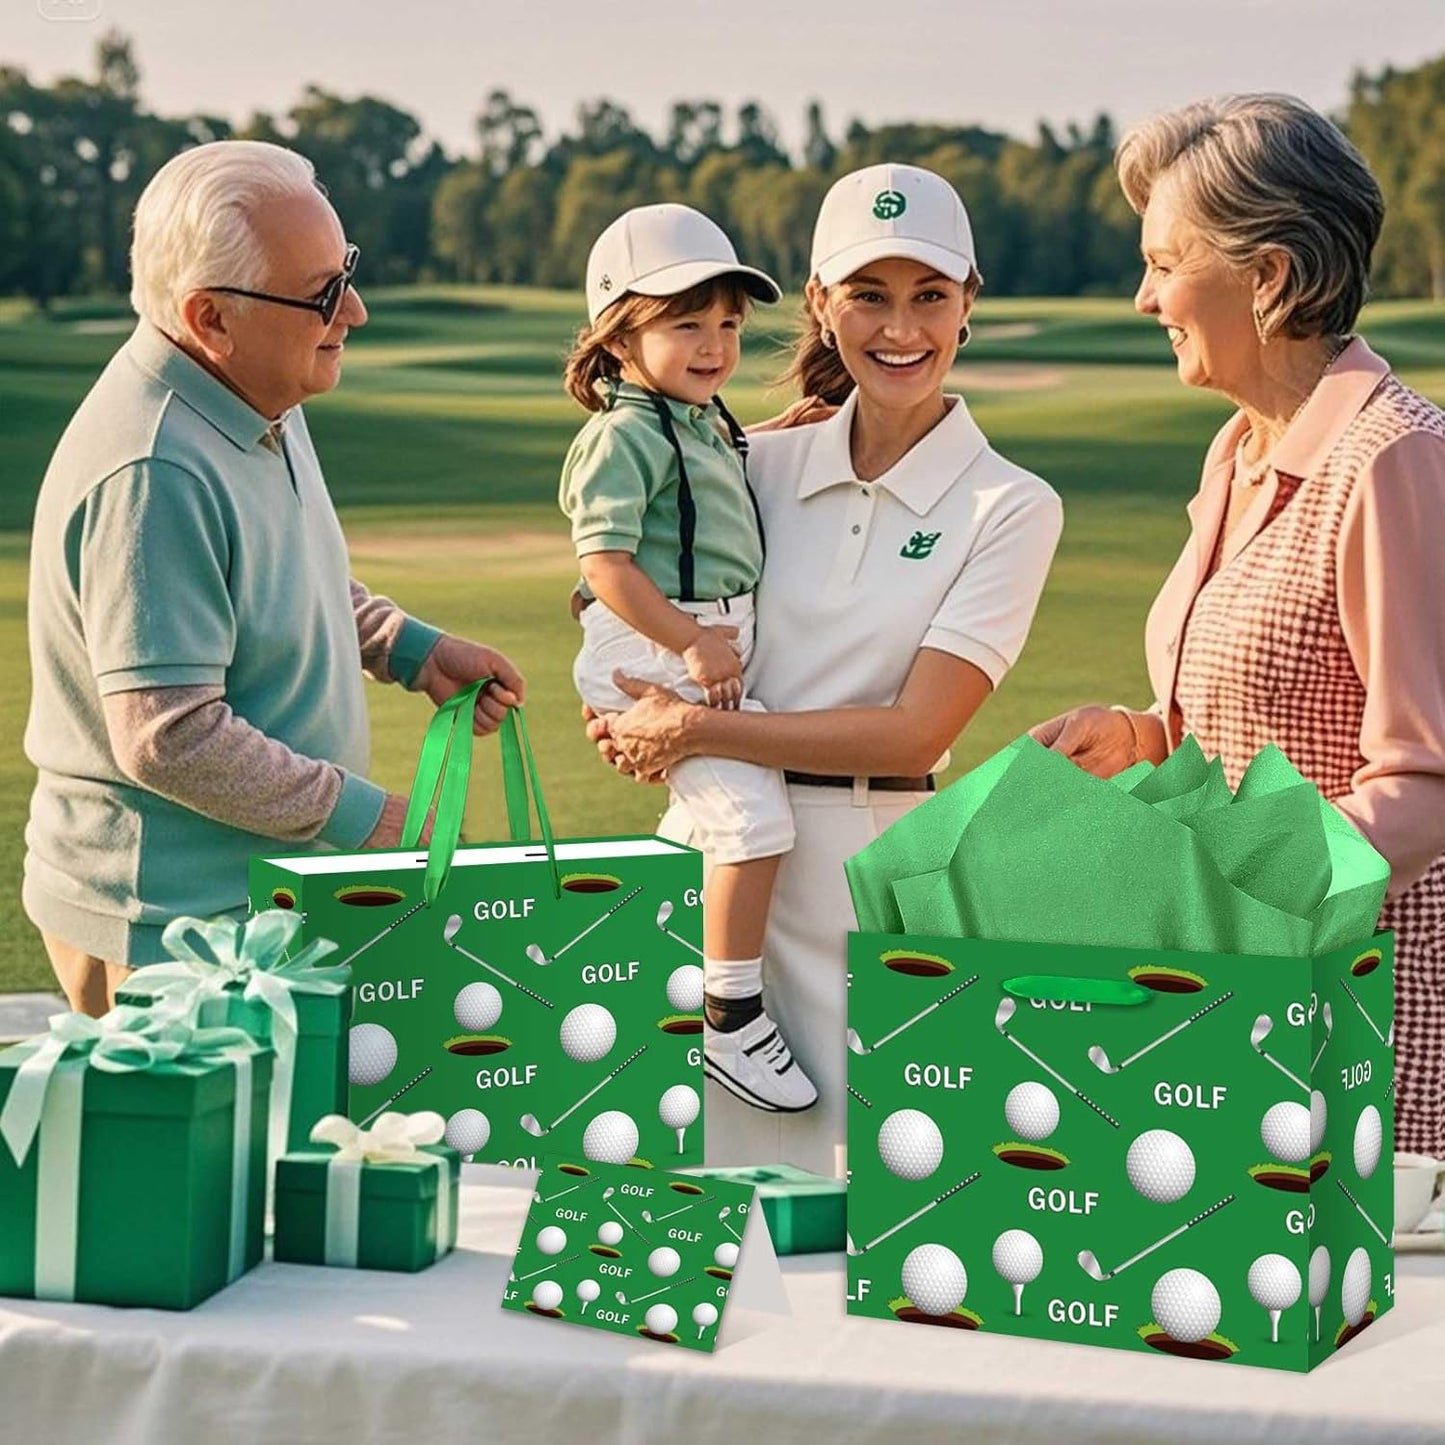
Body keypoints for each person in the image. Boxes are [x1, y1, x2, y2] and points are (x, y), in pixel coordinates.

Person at [589, 165, 1063, 1174]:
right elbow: (622, 578)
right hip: (716, 867)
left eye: (928, 296)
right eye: (868, 296)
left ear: (968, 302)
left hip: (870, 886)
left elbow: (913, 731)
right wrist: (634, 713)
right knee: (685, 1218)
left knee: (859, 1223)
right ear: (818, 303)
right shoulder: (750, 458)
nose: (901, 328)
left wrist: (694, 729)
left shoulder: (1009, 504)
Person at [1030, 95, 1445, 1155]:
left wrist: (1231, 893)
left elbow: (1421, 784)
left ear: (1265, 278)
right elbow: (1265, 717)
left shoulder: (1392, 457)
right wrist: (1143, 736)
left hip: (1367, 1027)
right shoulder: (1234, 454)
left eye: (1163, 263)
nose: (1141, 298)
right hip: (1242, 1008)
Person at [24, 139, 524, 1015]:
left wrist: (408, 647)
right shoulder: (155, 469)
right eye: (323, 294)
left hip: (245, 913)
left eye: (347, 273)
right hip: (169, 936)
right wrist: (366, 819)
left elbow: (281, 580)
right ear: (211, 317)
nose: (356, 312)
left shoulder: (259, 395)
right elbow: (168, 734)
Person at [559, 204, 817, 1113]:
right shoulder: (624, 435)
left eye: (728, 325)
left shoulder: (698, 418)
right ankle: (729, 1018)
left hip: (696, 634)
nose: (714, 344)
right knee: (754, 826)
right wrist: (690, 641)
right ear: (619, 336)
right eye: (684, 323)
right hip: (667, 641)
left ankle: (650, 992)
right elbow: (605, 564)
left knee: (704, 829)